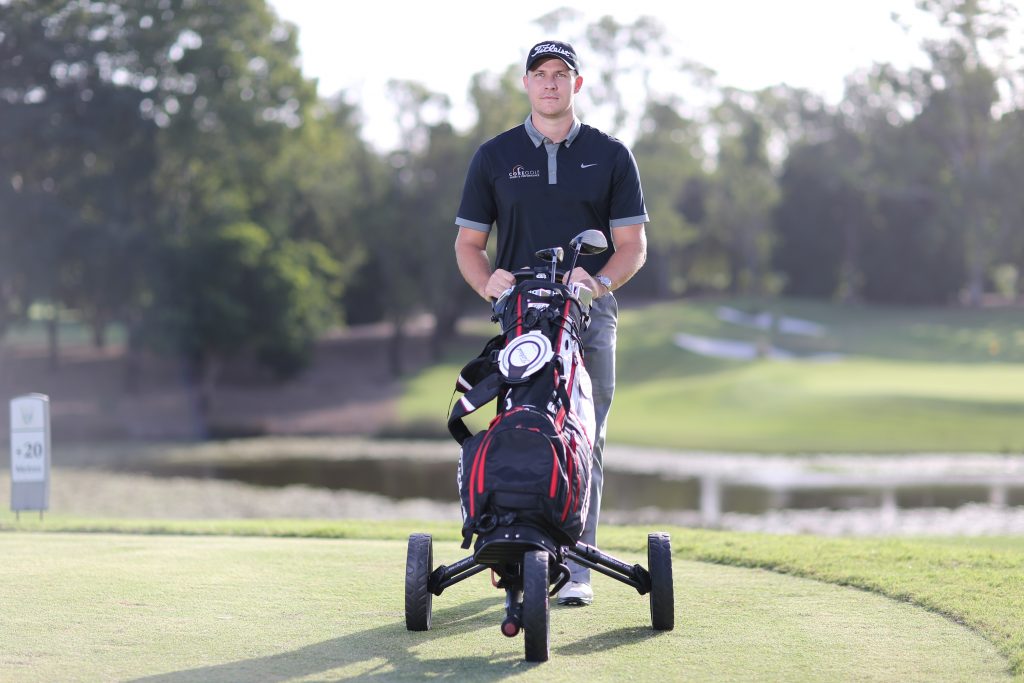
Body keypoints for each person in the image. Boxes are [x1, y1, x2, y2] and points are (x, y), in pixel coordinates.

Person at [453, 40, 648, 606]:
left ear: (577, 85)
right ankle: (511, 557)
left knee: (586, 434)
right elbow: (469, 246)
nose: (550, 83)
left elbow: (632, 246)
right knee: (517, 423)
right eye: (540, 74)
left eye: (561, 74)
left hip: (589, 315)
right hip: (519, 317)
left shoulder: (611, 155)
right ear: (526, 83)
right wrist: (486, 280)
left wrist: (598, 282)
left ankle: (576, 568)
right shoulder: (494, 156)